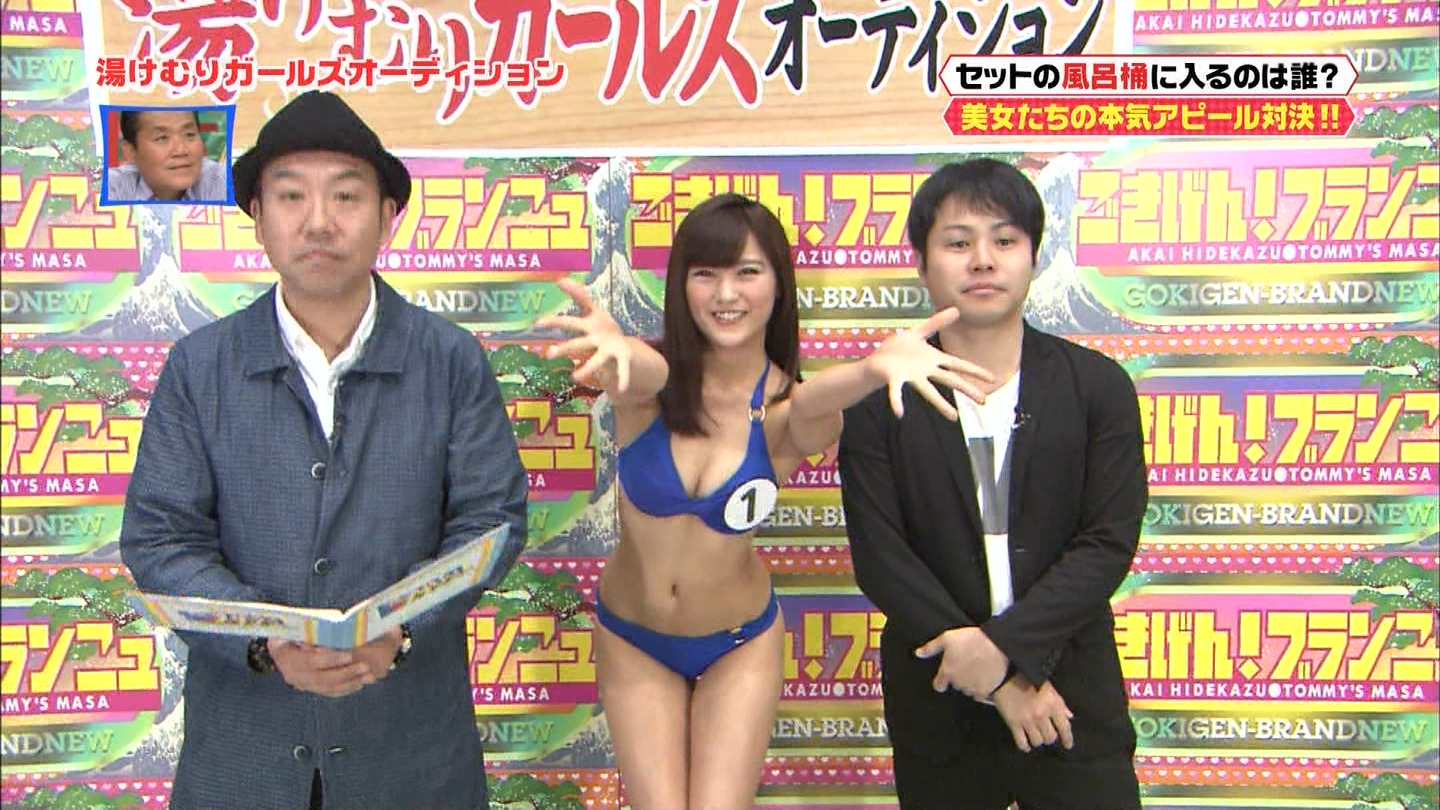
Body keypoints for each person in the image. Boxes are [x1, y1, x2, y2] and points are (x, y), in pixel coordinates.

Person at [118, 91, 528, 810]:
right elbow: (160, 538)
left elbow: (491, 520)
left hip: (410, 757)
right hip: (244, 758)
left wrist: (400, 630)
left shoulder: (449, 360)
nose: (318, 221)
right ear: (257, 218)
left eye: (345, 196)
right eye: (290, 196)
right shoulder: (200, 367)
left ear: (387, 216)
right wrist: (264, 639)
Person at [537, 193, 993, 809]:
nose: (727, 294)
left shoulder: (783, 411)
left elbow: (811, 403)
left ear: (778, 284)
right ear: (682, 285)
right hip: (632, 636)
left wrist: (871, 368)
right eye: (706, 273)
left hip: (738, 641)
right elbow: (642, 370)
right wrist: (615, 347)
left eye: (747, 272)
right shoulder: (648, 384)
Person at [836, 158, 1148, 810]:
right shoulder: (879, 403)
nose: (983, 260)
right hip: (939, 703)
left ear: (1033, 256)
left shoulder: (1096, 388)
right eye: (958, 243)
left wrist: (1010, 654)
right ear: (922, 264)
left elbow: (1106, 543)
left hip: (1069, 694)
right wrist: (1001, 682)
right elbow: (882, 559)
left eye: (1004, 240)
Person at [106, 108, 230, 203]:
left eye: (189, 134)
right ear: (131, 151)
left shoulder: (222, 182)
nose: (181, 150)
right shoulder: (111, 187)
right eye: (162, 138)